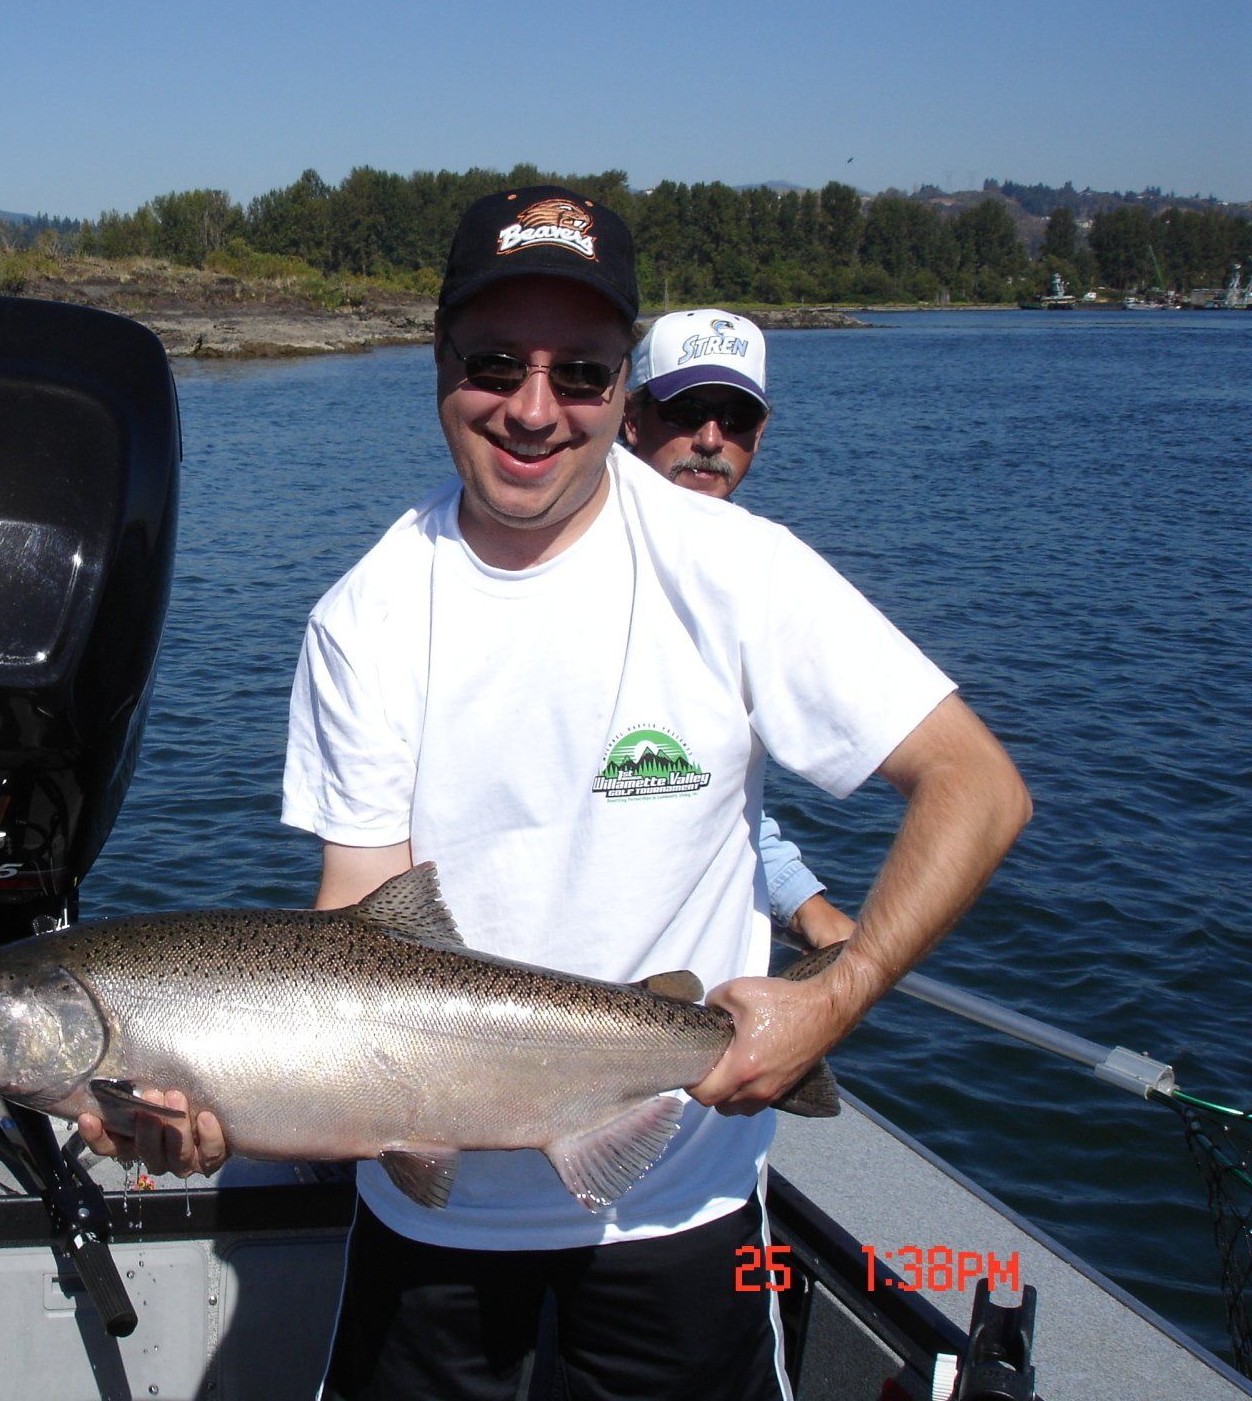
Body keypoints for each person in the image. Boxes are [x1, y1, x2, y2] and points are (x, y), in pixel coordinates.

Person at [81, 185, 1029, 1400]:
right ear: (437, 365)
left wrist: (833, 1001)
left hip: (685, 1214)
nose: (534, 410)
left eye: (579, 374)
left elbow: (977, 786)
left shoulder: (736, 571)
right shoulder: (365, 618)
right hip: (429, 1227)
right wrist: (209, 1108)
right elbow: (361, 918)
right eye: (494, 364)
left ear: (624, 387)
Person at [620, 307, 856, 950]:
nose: (710, 437)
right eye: (685, 410)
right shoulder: (565, 562)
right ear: (630, 416)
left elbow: (699, 786)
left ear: (762, 432)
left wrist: (800, 898)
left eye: (737, 417)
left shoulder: (752, 573)